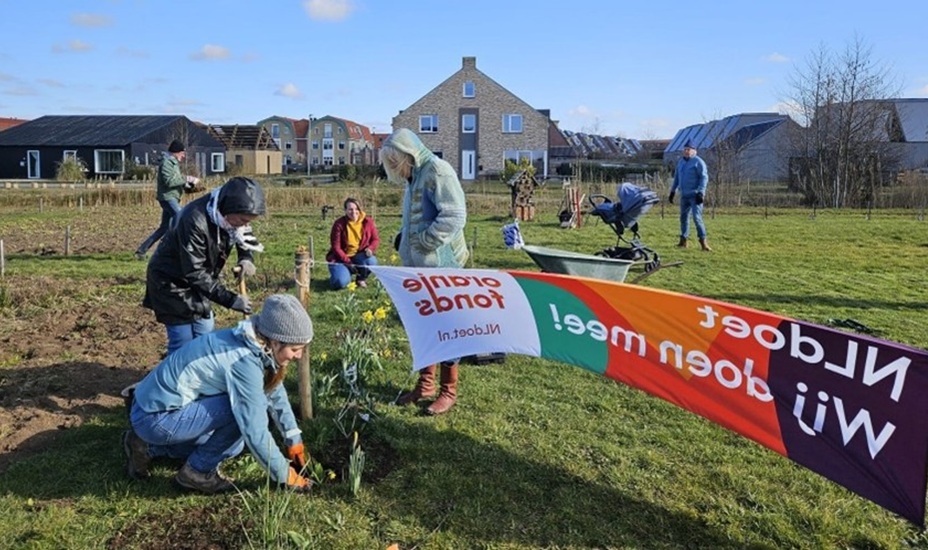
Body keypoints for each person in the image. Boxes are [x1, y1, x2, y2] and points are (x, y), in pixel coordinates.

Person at [123, 294, 314, 494]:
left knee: (233, 447)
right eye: (295, 349)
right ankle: (196, 472)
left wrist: (293, 440)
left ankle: (146, 446)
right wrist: (285, 476)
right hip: (155, 418)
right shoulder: (243, 360)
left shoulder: (253, 343)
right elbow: (255, 429)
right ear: (275, 342)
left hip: (154, 409)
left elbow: (273, 390)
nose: (299, 355)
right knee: (241, 416)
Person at [380, 128, 468, 415]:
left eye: (395, 163)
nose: (394, 169)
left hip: (443, 267)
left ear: (408, 155)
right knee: (424, 326)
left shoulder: (437, 171)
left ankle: (448, 390)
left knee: (447, 328)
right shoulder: (414, 177)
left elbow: (454, 215)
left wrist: (425, 241)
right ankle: (425, 384)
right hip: (420, 270)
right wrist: (403, 238)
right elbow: (416, 217)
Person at [143, 176, 265, 355]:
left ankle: (198, 370)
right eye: (242, 220)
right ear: (228, 209)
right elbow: (195, 271)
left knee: (204, 335)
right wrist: (231, 300)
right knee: (182, 341)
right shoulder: (194, 220)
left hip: (199, 284)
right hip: (171, 283)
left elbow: (243, 234)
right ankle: (175, 372)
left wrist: (246, 257)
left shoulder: (230, 216)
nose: (245, 225)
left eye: (249, 221)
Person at [134, 139, 200, 260]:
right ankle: (184, 252)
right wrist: (187, 179)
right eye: (182, 153)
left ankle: (141, 251)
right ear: (176, 152)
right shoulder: (166, 163)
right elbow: (169, 182)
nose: (184, 156)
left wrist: (187, 186)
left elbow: (175, 180)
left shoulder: (172, 162)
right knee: (183, 220)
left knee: (164, 228)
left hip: (171, 197)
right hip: (168, 198)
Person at [325, 197, 381, 289]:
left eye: (356, 209)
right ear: (345, 210)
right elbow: (336, 247)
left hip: (358, 256)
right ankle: (341, 275)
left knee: (372, 261)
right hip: (340, 258)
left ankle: (360, 279)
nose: (354, 212)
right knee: (340, 282)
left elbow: (375, 239)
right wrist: (348, 262)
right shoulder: (339, 224)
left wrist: (371, 248)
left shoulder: (368, 222)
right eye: (350, 209)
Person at [668, 139, 711, 251]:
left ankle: (703, 242)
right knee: (683, 218)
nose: (686, 151)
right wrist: (672, 191)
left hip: (695, 195)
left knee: (697, 218)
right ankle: (683, 241)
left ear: (694, 151)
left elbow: (704, 178)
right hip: (684, 195)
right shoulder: (681, 162)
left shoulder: (698, 162)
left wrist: (701, 192)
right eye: (685, 149)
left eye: (689, 150)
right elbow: (677, 177)